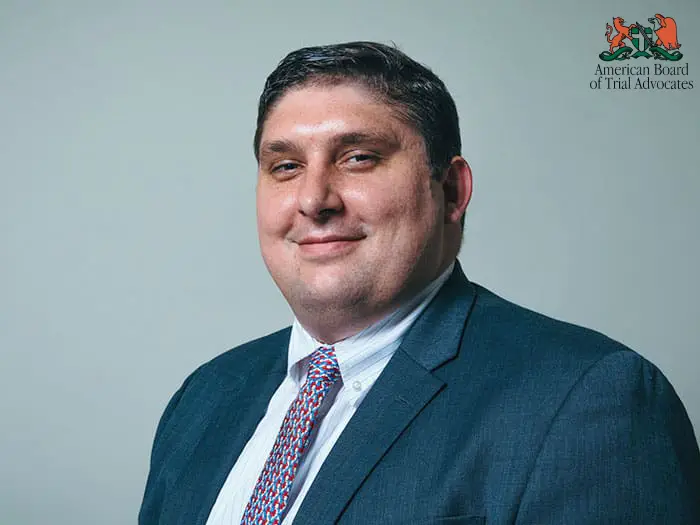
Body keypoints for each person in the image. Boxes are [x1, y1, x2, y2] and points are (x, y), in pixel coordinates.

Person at [138, 41, 700, 525]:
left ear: (452, 191)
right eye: (285, 166)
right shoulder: (204, 398)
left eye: (358, 158)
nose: (314, 200)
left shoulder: (591, 401)